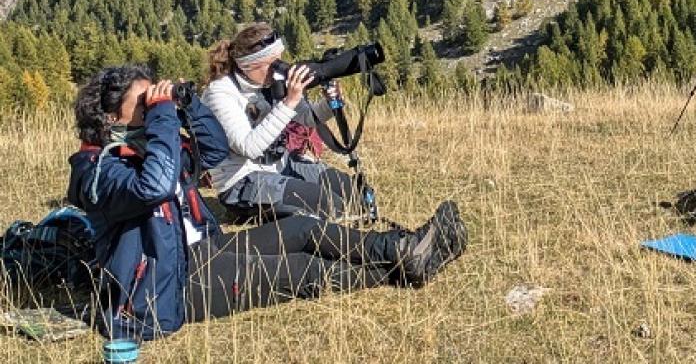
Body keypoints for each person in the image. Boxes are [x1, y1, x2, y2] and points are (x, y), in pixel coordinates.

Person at [67, 65, 467, 342]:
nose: (155, 105)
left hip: (197, 253)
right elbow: (152, 187)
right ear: (110, 118)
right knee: (300, 270)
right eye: (143, 103)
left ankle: (400, 249)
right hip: (162, 292)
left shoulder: (150, 145)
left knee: (303, 228)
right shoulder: (97, 170)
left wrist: (189, 104)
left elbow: (214, 148)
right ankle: (401, 272)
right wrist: (164, 118)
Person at [201, 22, 355, 220]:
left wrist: (330, 102)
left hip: (281, 167)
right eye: (271, 64)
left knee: (351, 192)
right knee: (328, 205)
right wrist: (289, 101)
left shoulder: (270, 81)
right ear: (248, 65)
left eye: (279, 60)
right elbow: (249, 147)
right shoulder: (220, 93)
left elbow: (308, 118)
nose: (278, 69)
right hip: (242, 183)